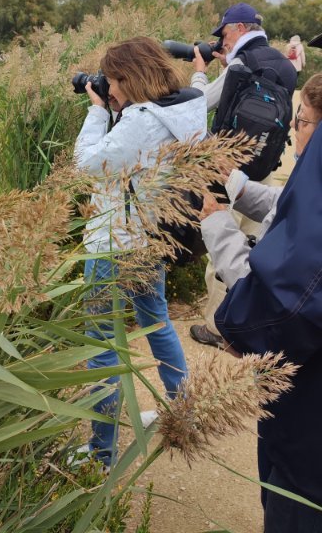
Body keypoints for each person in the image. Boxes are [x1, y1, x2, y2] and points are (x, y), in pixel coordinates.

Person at [73, 36, 207, 468]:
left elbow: (87, 164)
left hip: (113, 246)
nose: (108, 89)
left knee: (102, 348)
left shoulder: (141, 121)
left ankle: (101, 455)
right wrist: (117, 109)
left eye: (112, 82)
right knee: (157, 324)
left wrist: (97, 112)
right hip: (151, 238)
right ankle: (183, 412)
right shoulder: (184, 108)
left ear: (129, 77)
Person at [199, 73, 322, 532]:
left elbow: (288, 287)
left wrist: (243, 332)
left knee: (290, 497)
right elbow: (285, 207)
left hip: (309, 427)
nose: (293, 131)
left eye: (303, 122)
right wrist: (233, 183)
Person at [190, 2, 297, 348]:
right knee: (258, 245)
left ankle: (218, 327)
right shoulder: (283, 62)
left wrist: (201, 70)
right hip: (264, 173)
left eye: (222, 33)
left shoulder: (240, 63)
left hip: (228, 172)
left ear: (237, 29)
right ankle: (253, 320)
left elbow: (199, 103)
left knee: (222, 245)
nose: (220, 40)